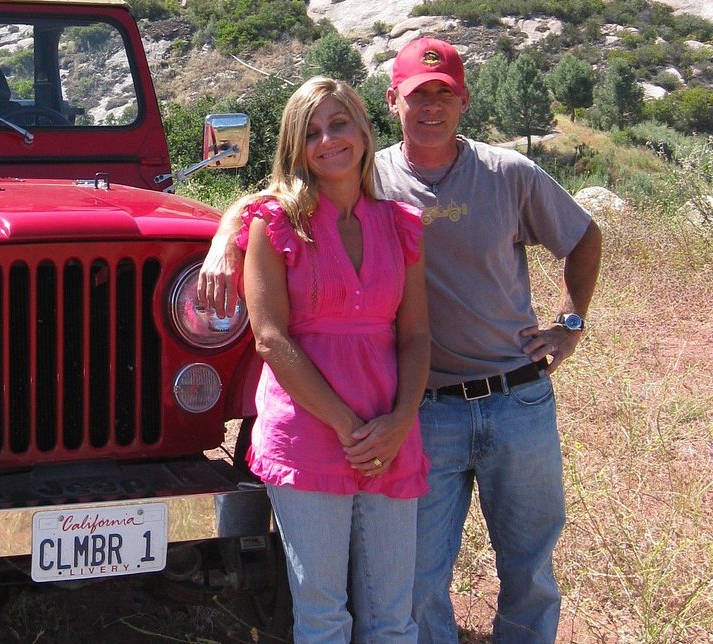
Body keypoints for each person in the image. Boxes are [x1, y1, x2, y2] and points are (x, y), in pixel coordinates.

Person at [201, 38, 602, 643]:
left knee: (529, 566)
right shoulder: (371, 175)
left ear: (463, 100)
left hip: (506, 399)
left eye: (444, 94)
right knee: (413, 587)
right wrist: (219, 238)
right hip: (424, 409)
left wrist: (570, 324)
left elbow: (583, 237)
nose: (431, 107)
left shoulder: (502, 175)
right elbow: (270, 205)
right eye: (419, 96)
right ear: (393, 103)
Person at [233, 76, 431, 642]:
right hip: (310, 431)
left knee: (394, 617)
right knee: (323, 616)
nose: (328, 140)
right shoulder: (273, 224)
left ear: (364, 129)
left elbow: (417, 335)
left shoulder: (400, 225)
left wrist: (396, 424)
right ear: (296, 149)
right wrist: (349, 427)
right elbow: (269, 336)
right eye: (312, 133)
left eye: (338, 124)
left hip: (390, 432)